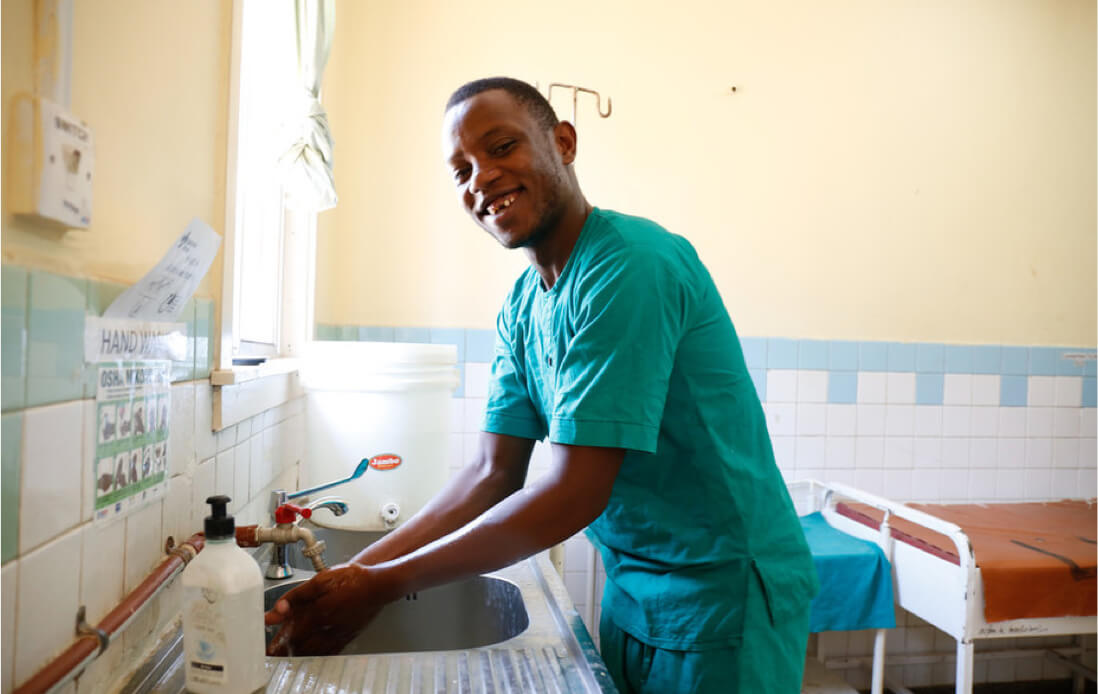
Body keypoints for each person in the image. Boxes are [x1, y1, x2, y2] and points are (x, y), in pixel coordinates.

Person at [265, 76, 819, 693]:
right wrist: (353, 574)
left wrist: (383, 586)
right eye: (461, 170)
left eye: (502, 147)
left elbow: (573, 492)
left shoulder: (633, 266)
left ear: (563, 143)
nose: (481, 178)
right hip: (637, 591)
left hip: (723, 594)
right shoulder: (524, 303)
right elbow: (489, 473)